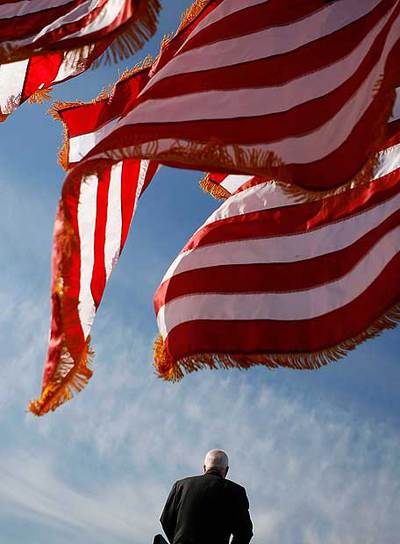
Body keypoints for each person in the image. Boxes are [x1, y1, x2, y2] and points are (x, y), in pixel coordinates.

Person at [158, 449, 253, 544]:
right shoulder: (236, 491)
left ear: (204, 468)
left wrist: (177, 540)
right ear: (226, 470)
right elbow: (245, 532)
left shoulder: (180, 486)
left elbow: (166, 520)